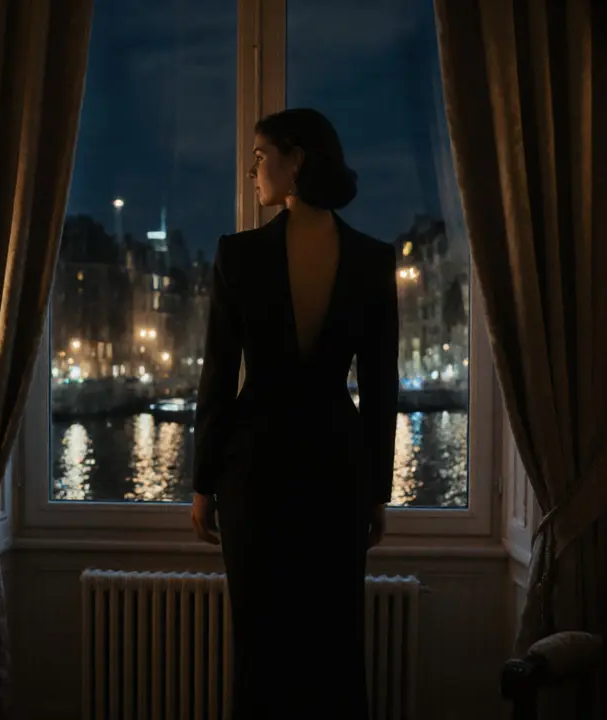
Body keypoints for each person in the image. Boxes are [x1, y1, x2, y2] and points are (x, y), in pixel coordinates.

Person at [189, 108, 398, 719]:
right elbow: (380, 389)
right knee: (335, 644)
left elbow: (218, 378)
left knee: (261, 647)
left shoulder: (238, 255)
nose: (252, 169)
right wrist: (377, 491)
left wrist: (203, 484)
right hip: (337, 468)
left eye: (260, 156)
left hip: (254, 470)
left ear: (296, 159)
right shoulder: (370, 258)